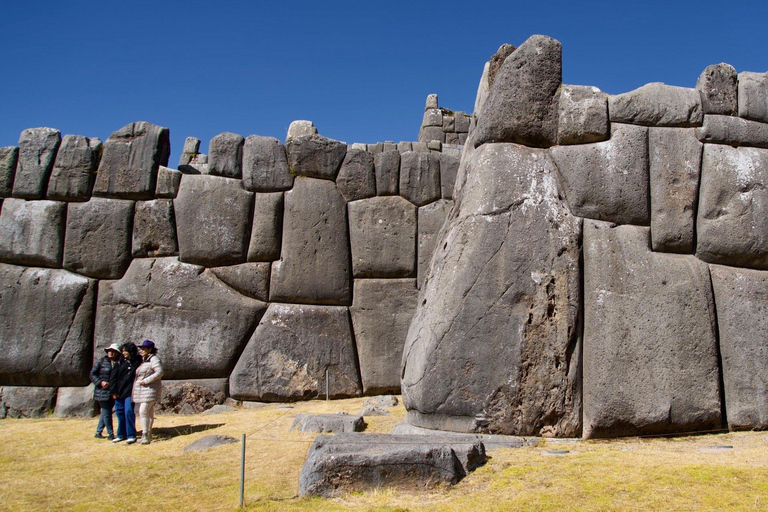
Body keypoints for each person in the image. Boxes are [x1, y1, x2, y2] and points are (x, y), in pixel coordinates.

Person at [110, 342, 142, 444]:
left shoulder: (137, 361)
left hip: (130, 392)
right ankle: (121, 434)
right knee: (119, 413)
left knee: (128, 412)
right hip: (119, 392)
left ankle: (131, 435)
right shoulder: (119, 362)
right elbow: (113, 377)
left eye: (125, 351)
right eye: (122, 351)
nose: (123, 353)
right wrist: (113, 391)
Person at [133, 340, 163, 445]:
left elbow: (159, 372)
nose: (141, 350)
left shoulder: (154, 359)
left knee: (143, 411)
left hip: (150, 389)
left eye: (144, 349)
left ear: (150, 349)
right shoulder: (145, 360)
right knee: (149, 412)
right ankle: (148, 434)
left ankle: (145, 435)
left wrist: (145, 381)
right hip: (145, 390)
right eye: (141, 349)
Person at [89, 344, 122, 440]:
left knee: (105, 412)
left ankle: (98, 432)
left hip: (113, 392)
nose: (111, 352)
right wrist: (100, 382)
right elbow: (92, 374)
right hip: (102, 391)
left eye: (113, 351)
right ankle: (110, 433)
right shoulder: (101, 361)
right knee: (107, 412)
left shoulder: (119, 363)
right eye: (109, 350)